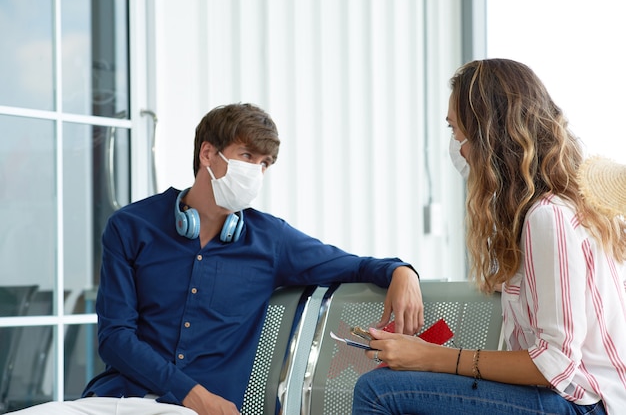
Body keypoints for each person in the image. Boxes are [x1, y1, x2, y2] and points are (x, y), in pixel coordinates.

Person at [10, 103, 424, 415]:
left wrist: (401, 271)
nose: (256, 172)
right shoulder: (130, 227)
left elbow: (354, 264)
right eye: (247, 156)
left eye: (265, 163)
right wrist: (192, 393)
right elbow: (115, 337)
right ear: (208, 154)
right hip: (120, 398)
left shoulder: (271, 239)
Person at [351, 59, 626, 415]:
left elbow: (554, 364)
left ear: (487, 135)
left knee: (378, 391)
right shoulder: (553, 210)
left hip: (585, 405)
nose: (456, 147)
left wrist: (429, 357)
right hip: (577, 399)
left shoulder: (549, 217)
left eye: (455, 131)